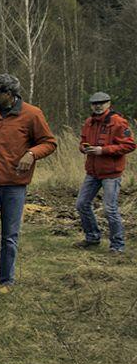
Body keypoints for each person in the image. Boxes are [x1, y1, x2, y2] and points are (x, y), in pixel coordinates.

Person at [0, 73, 57, 297]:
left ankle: (6, 281)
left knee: (9, 234)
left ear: (9, 95)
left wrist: (32, 153)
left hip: (15, 184)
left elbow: (49, 142)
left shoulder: (32, 115)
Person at [73, 91, 134, 255]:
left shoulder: (119, 123)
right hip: (92, 172)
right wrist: (83, 147)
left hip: (111, 174)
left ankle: (117, 246)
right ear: (91, 105)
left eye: (102, 103)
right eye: (95, 103)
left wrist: (103, 150)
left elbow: (130, 145)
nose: (98, 106)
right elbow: (82, 142)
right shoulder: (89, 122)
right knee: (81, 204)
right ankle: (92, 237)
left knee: (110, 209)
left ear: (109, 104)